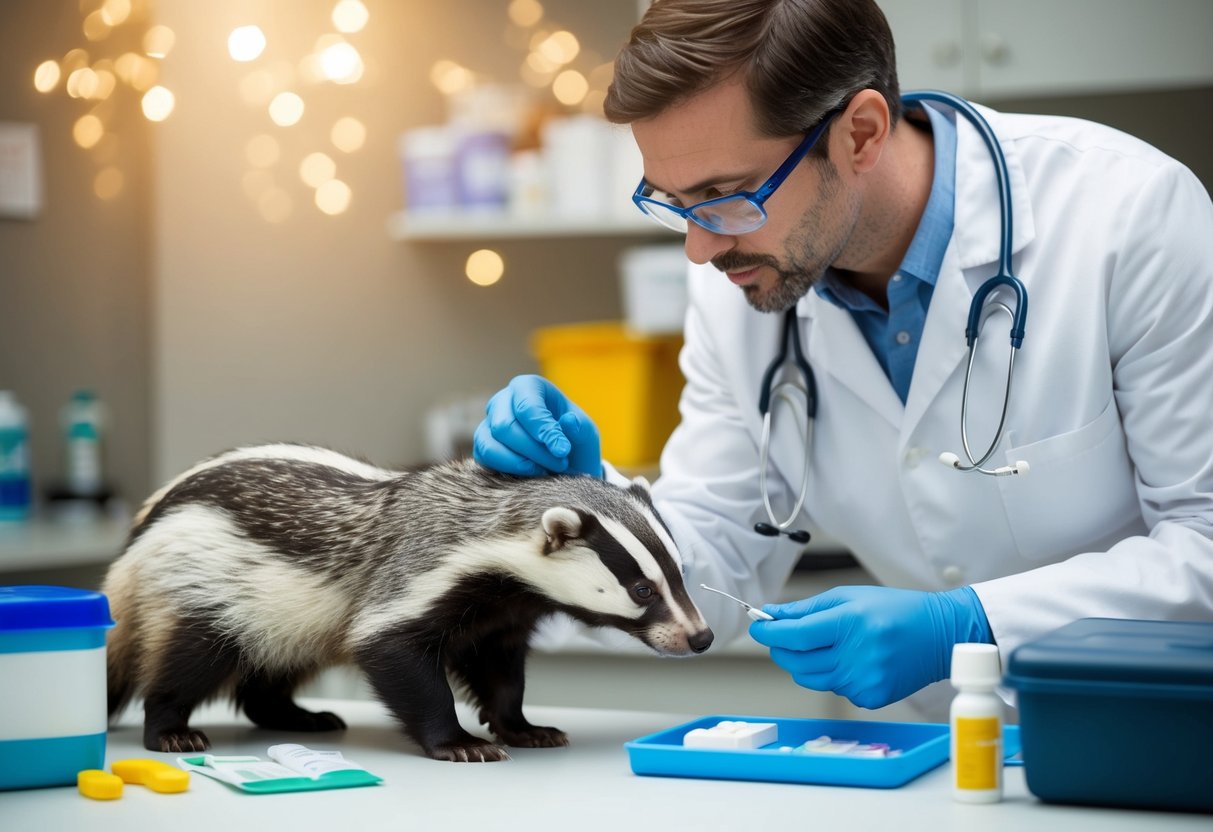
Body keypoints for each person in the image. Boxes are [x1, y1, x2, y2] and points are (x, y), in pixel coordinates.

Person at [473, 0, 1213, 718]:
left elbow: (1203, 546)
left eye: (725, 195)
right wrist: (584, 504)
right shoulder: (743, 286)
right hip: (940, 752)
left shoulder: (1128, 217)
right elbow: (717, 559)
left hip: (1147, 730)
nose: (698, 250)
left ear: (859, 133)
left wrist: (971, 622)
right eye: (670, 201)